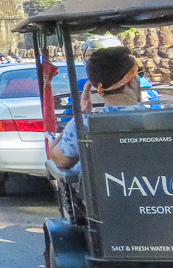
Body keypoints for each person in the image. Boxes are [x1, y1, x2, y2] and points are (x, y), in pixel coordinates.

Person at [50, 46, 147, 175]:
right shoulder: (162, 120)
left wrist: (81, 115)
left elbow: (58, 160)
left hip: (100, 192)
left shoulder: (83, 125)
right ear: (131, 81)